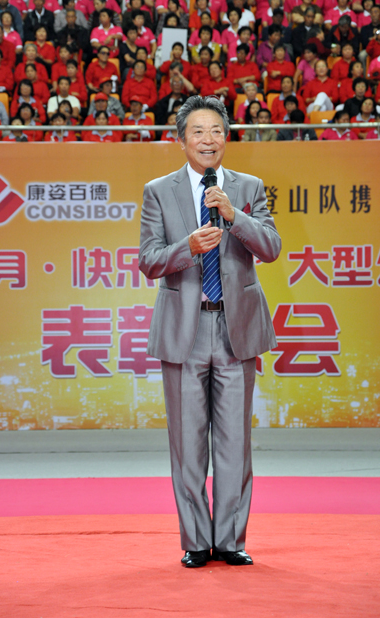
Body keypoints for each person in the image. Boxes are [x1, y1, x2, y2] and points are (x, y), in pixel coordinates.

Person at [138, 95, 281, 568]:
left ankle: (232, 539)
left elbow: (271, 247)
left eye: (216, 131)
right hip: (186, 329)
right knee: (187, 444)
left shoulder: (248, 187)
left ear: (226, 137)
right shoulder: (159, 191)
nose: (208, 140)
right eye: (198, 131)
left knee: (235, 443)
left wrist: (235, 216)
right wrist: (188, 246)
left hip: (237, 327)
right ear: (181, 140)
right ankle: (197, 541)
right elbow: (149, 260)